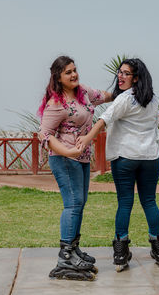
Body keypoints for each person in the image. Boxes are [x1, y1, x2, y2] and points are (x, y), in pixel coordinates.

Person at [76, 58, 159, 271]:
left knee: (125, 202)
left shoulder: (125, 99)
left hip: (125, 157)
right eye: (120, 72)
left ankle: (120, 254)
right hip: (149, 158)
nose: (120, 76)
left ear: (136, 78)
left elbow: (104, 120)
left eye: (126, 73)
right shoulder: (152, 99)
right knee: (149, 201)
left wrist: (86, 139)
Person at [37, 55, 112, 280]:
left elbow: (105, 96)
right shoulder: (55, 103)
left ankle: (73, 249)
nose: (74, 75)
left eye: (75, 70)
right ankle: (65, 256)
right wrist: (69, 152)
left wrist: (125, 89)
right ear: (58, 78)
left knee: (81, 203)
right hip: (64, 158)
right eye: (68, 72)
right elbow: (44, 135)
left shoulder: (83, 92)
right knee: (73, 204)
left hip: (82, 158)